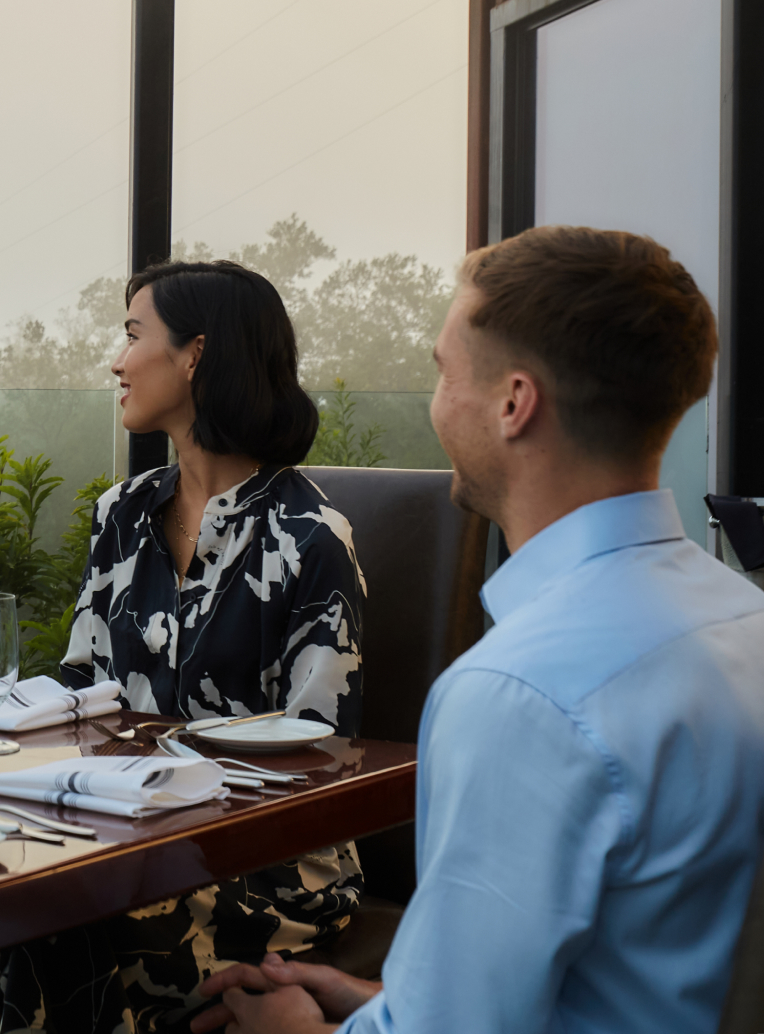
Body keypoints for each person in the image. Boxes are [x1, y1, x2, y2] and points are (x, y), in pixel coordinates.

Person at [190, 226, 764, 1034]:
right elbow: (642, 961)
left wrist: (297, 1029)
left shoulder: (520, 693)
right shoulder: (744, 618)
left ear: (512, 402)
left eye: (441, 371)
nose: (436, 402)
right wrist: (381, 1004)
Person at [0, 260, 366, 1032]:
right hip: (122, 840)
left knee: (53, 925)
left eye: (134, 335)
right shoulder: (122, 512)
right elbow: (79, 690)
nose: (117, 359)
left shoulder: (310, 539)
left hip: (268, 865)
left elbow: (319, 761)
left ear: (195, 354)